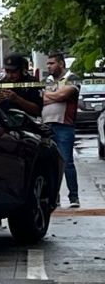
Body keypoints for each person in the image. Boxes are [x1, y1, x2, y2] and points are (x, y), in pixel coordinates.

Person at [43, 52, 82, 208]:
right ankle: (54, 198)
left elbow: (64, 95)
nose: (49, 66)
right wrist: (55, 95)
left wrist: (52, 95)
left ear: (61, 64)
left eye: (52, 63)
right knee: (50, 164)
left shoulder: (72, 77)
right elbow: (43, 98)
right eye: (48, 63)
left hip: (64, 125)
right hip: (47, 125)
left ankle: (74, 197)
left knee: (66, 162)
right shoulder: (48, 80)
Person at [0, 53, 43, 118]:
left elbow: (37, 110)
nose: (10, 75)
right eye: (7, 71)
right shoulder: (3, 82)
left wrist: (17, 99)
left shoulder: (32, 82)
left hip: (26, 124)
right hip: (5, 123)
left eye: (13, 72)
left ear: (22, 69)